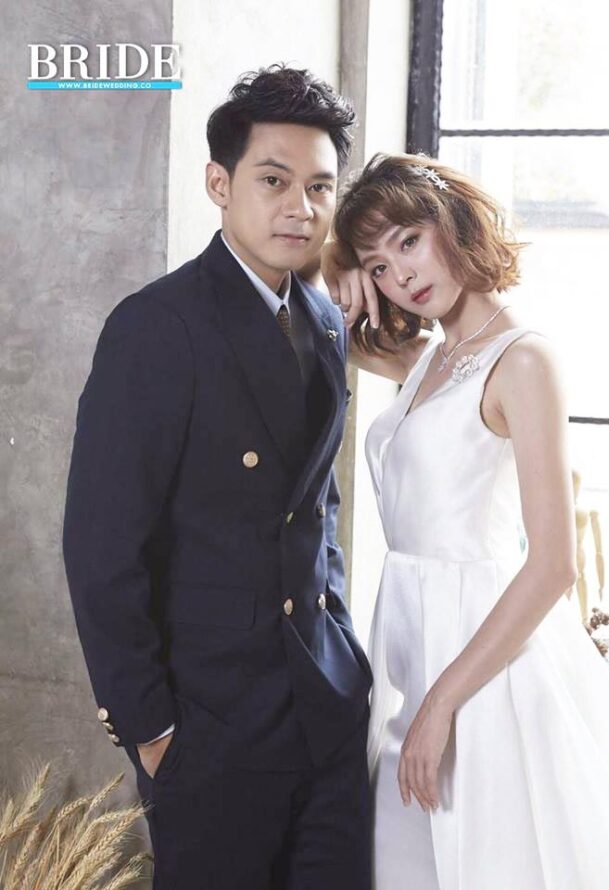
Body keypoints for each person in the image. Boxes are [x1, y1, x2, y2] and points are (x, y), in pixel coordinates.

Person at [325, 152, 609, 889]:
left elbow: (554, 564)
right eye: (380, 265)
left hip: (485, 663)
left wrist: (442, 703)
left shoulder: (523, 361)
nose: (401, 275)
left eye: (409, 240)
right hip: (409, 651)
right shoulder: (427, 357)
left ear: (452, 221)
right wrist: (341, 263)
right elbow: (320, 303)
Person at [62, 65, 372, 890]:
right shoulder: (157, 327)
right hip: (210, 730)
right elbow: (100, 551)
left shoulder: (324, 320)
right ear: (219, 184)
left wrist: (341, 646)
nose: (300, 207)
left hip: (325, 712)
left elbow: (318, 508)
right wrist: (154, 732)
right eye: (273, 181)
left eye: (319, 187)